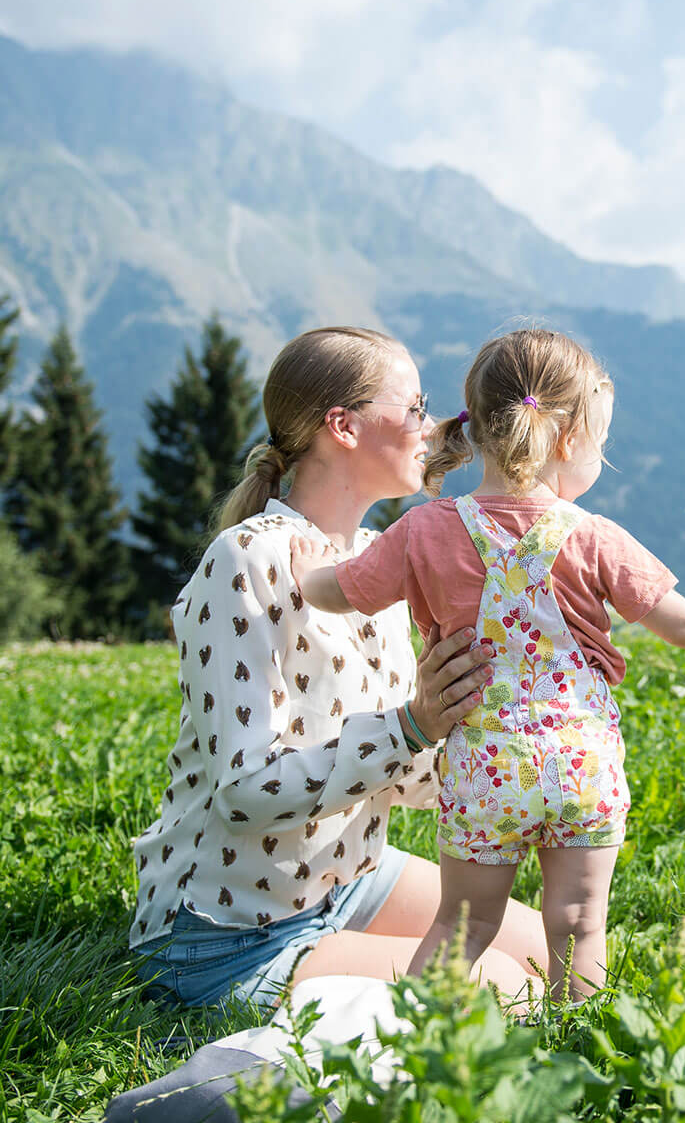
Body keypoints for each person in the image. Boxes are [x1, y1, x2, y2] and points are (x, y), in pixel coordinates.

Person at [291, 328, 685, 1000]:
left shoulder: (426, 530)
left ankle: (417, 1044)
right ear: (568, 440)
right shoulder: (594, 536)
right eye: (601, 444)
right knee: (581, 926)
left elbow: (339, 590)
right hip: (581, 768)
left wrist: (304, 567)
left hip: (484, 774)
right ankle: (579, 1054)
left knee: (461, 927)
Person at [130, 325, 548, 1008]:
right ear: (343, 426)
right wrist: (412, 725)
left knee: (565, 959)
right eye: (414, 407)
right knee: (510, 992)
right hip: (225, 934)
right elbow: (243, 791)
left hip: (346, 880)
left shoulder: (379, 560)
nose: (430, 425)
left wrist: (488, 752)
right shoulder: (245, 560)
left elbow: (404, 779)